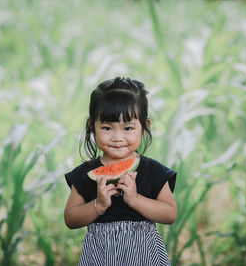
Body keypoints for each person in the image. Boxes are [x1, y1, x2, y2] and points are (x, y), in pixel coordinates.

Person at [64, 77, 177, 265]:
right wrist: (97, 206)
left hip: (145, 258)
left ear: (144, 127)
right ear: (92, 126)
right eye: (107, 127)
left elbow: (170, 214)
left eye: (128, 128)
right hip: (101, 257)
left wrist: (135, 200)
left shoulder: (154, 171)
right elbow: (71, 219)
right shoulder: (85, 174)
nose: (118, 137)